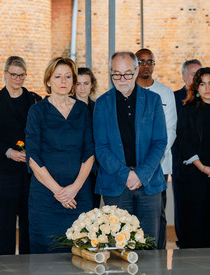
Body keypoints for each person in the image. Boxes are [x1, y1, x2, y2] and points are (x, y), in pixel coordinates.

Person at [93, 51, 167, 247]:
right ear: (111, 73)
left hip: (148, 184)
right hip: (115, 184)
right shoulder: (101, 104)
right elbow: (100, 147)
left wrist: (140, 174)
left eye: (127, 73)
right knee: (119, 247)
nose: (122, 79)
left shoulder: (153, 100)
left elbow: (160, 142)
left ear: (135, 72)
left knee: (149, 245)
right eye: (117, 74)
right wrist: (125, 174)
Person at [25, 57, 95, 254]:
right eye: (57, 77)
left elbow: (89, 152)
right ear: (48, 81)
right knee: (46, 256)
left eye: (67, 76)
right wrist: (59, 192)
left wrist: (74, 188)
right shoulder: (36, 111)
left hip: (79, 194)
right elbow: (33, 157)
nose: (63, 81)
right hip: (46, 197)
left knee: (81, 251)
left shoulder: (82, 110)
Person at [0, 56, 41, 255]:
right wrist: (9, 152)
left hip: (29, 169)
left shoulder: (34, 99)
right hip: (4, 169)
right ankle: (6, 262)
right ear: (5, 74)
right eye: (13, 74)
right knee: (6, 219)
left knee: (28, 218)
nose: (17, 78)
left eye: (21, 75)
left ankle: (27, 261)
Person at [135, 48, 177, 249]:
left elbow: (170, 130)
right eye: (141, 61)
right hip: (131, 168)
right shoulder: (126, 91)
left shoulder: (165, 93)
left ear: (154, 65)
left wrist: (151, 161)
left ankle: (158, 255)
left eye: (149, 61)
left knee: (157, 213)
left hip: (159, 166)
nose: (145, 65)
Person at [176, 67, 210, 248]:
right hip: (194, 175)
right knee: (195, 224)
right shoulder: (188, 109)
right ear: (196, 88)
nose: (207, 88)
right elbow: (184, 140)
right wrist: (203, 168)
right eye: (202, 84)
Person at [172, 59, 202, 248]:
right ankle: (183, 241)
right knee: (183, 206)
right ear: (184, 77)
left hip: (204, 166)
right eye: (193, 74)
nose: (197, 79)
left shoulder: (205, 99)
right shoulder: (174, 98)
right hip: (181, 163)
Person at [75, 67, 100, 208]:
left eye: (86, 83)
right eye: (78, 84)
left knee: (92, 209)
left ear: (92, 85)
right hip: (73, 167)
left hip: (94, 169)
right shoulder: (66, 108)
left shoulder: (98, 108)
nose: (82, 88)